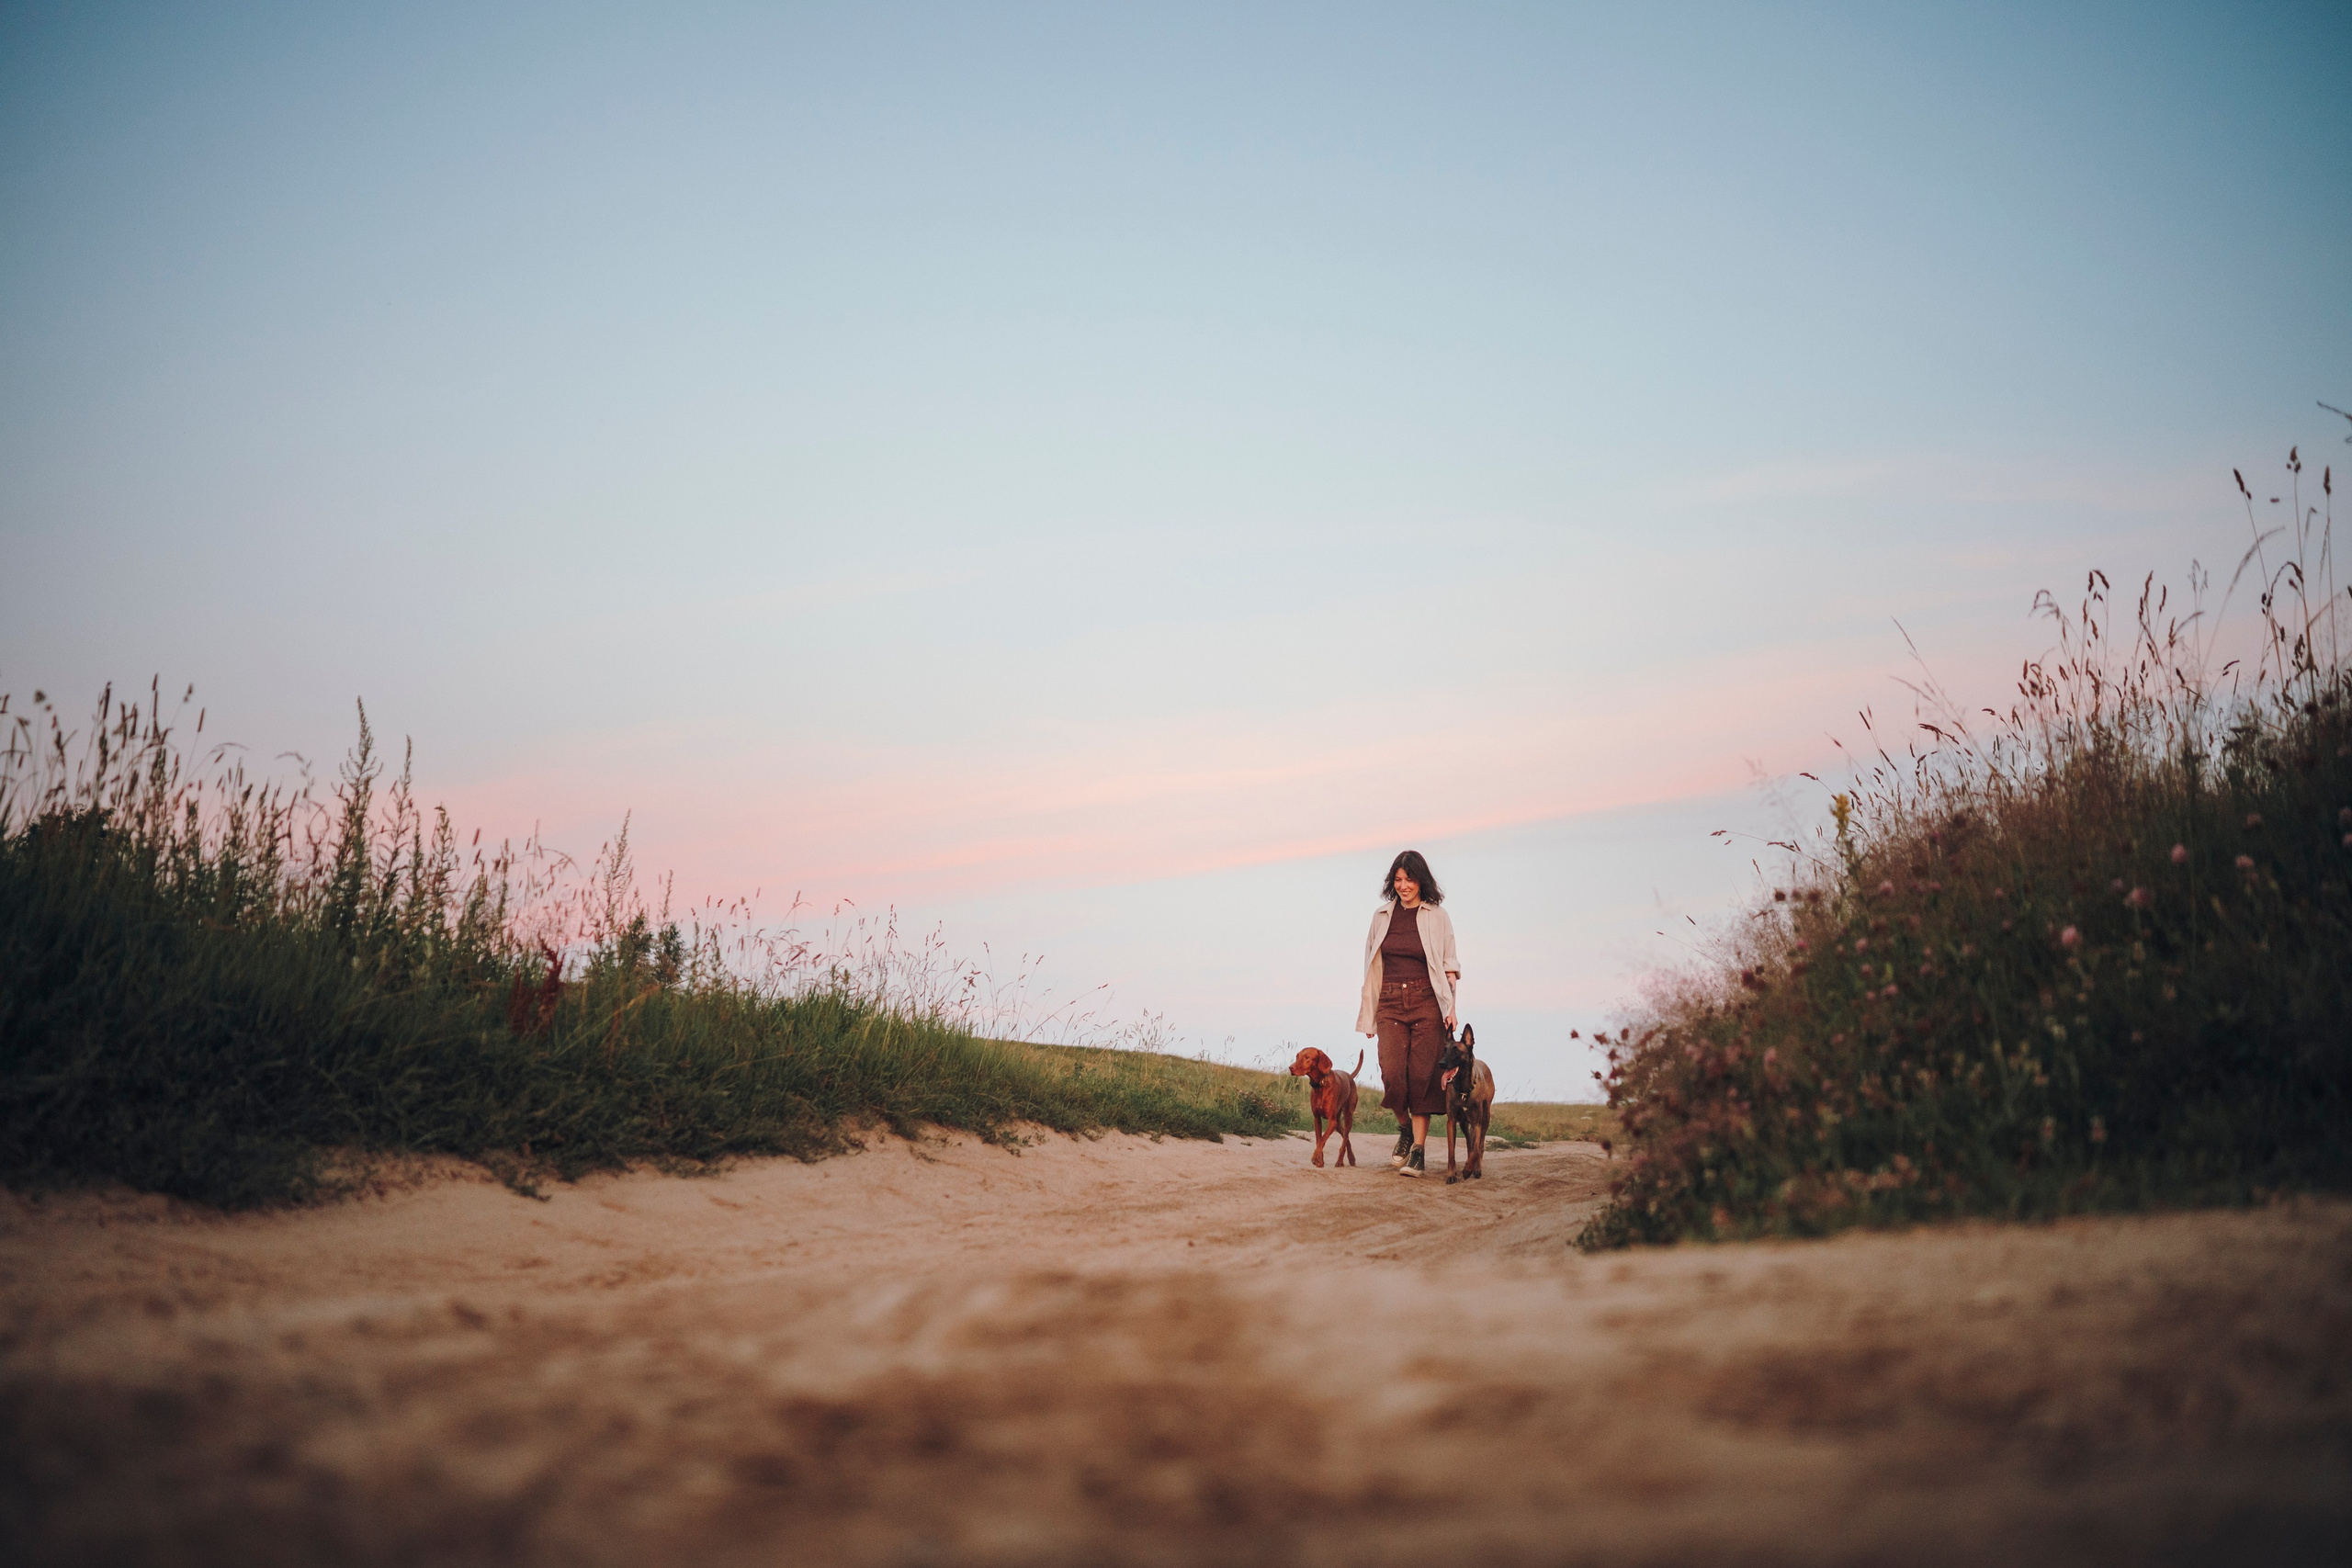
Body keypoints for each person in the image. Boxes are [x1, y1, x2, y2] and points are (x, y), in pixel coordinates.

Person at [1356, 850, 1461, 1178]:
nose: (1403, 886)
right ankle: (1403, 1128)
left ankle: (1417, 1150)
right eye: (1398, 880)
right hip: (1388, 1001)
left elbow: (1449, 967)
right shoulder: (1381, 916)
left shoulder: (1437, 916)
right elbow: (1370, 967)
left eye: (1409, 879)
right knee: (1392, 1074)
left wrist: (1452, 1008)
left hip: (1427, 1001)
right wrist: (1370, 1013)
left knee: (1421, 1077)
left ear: (1421, 881)